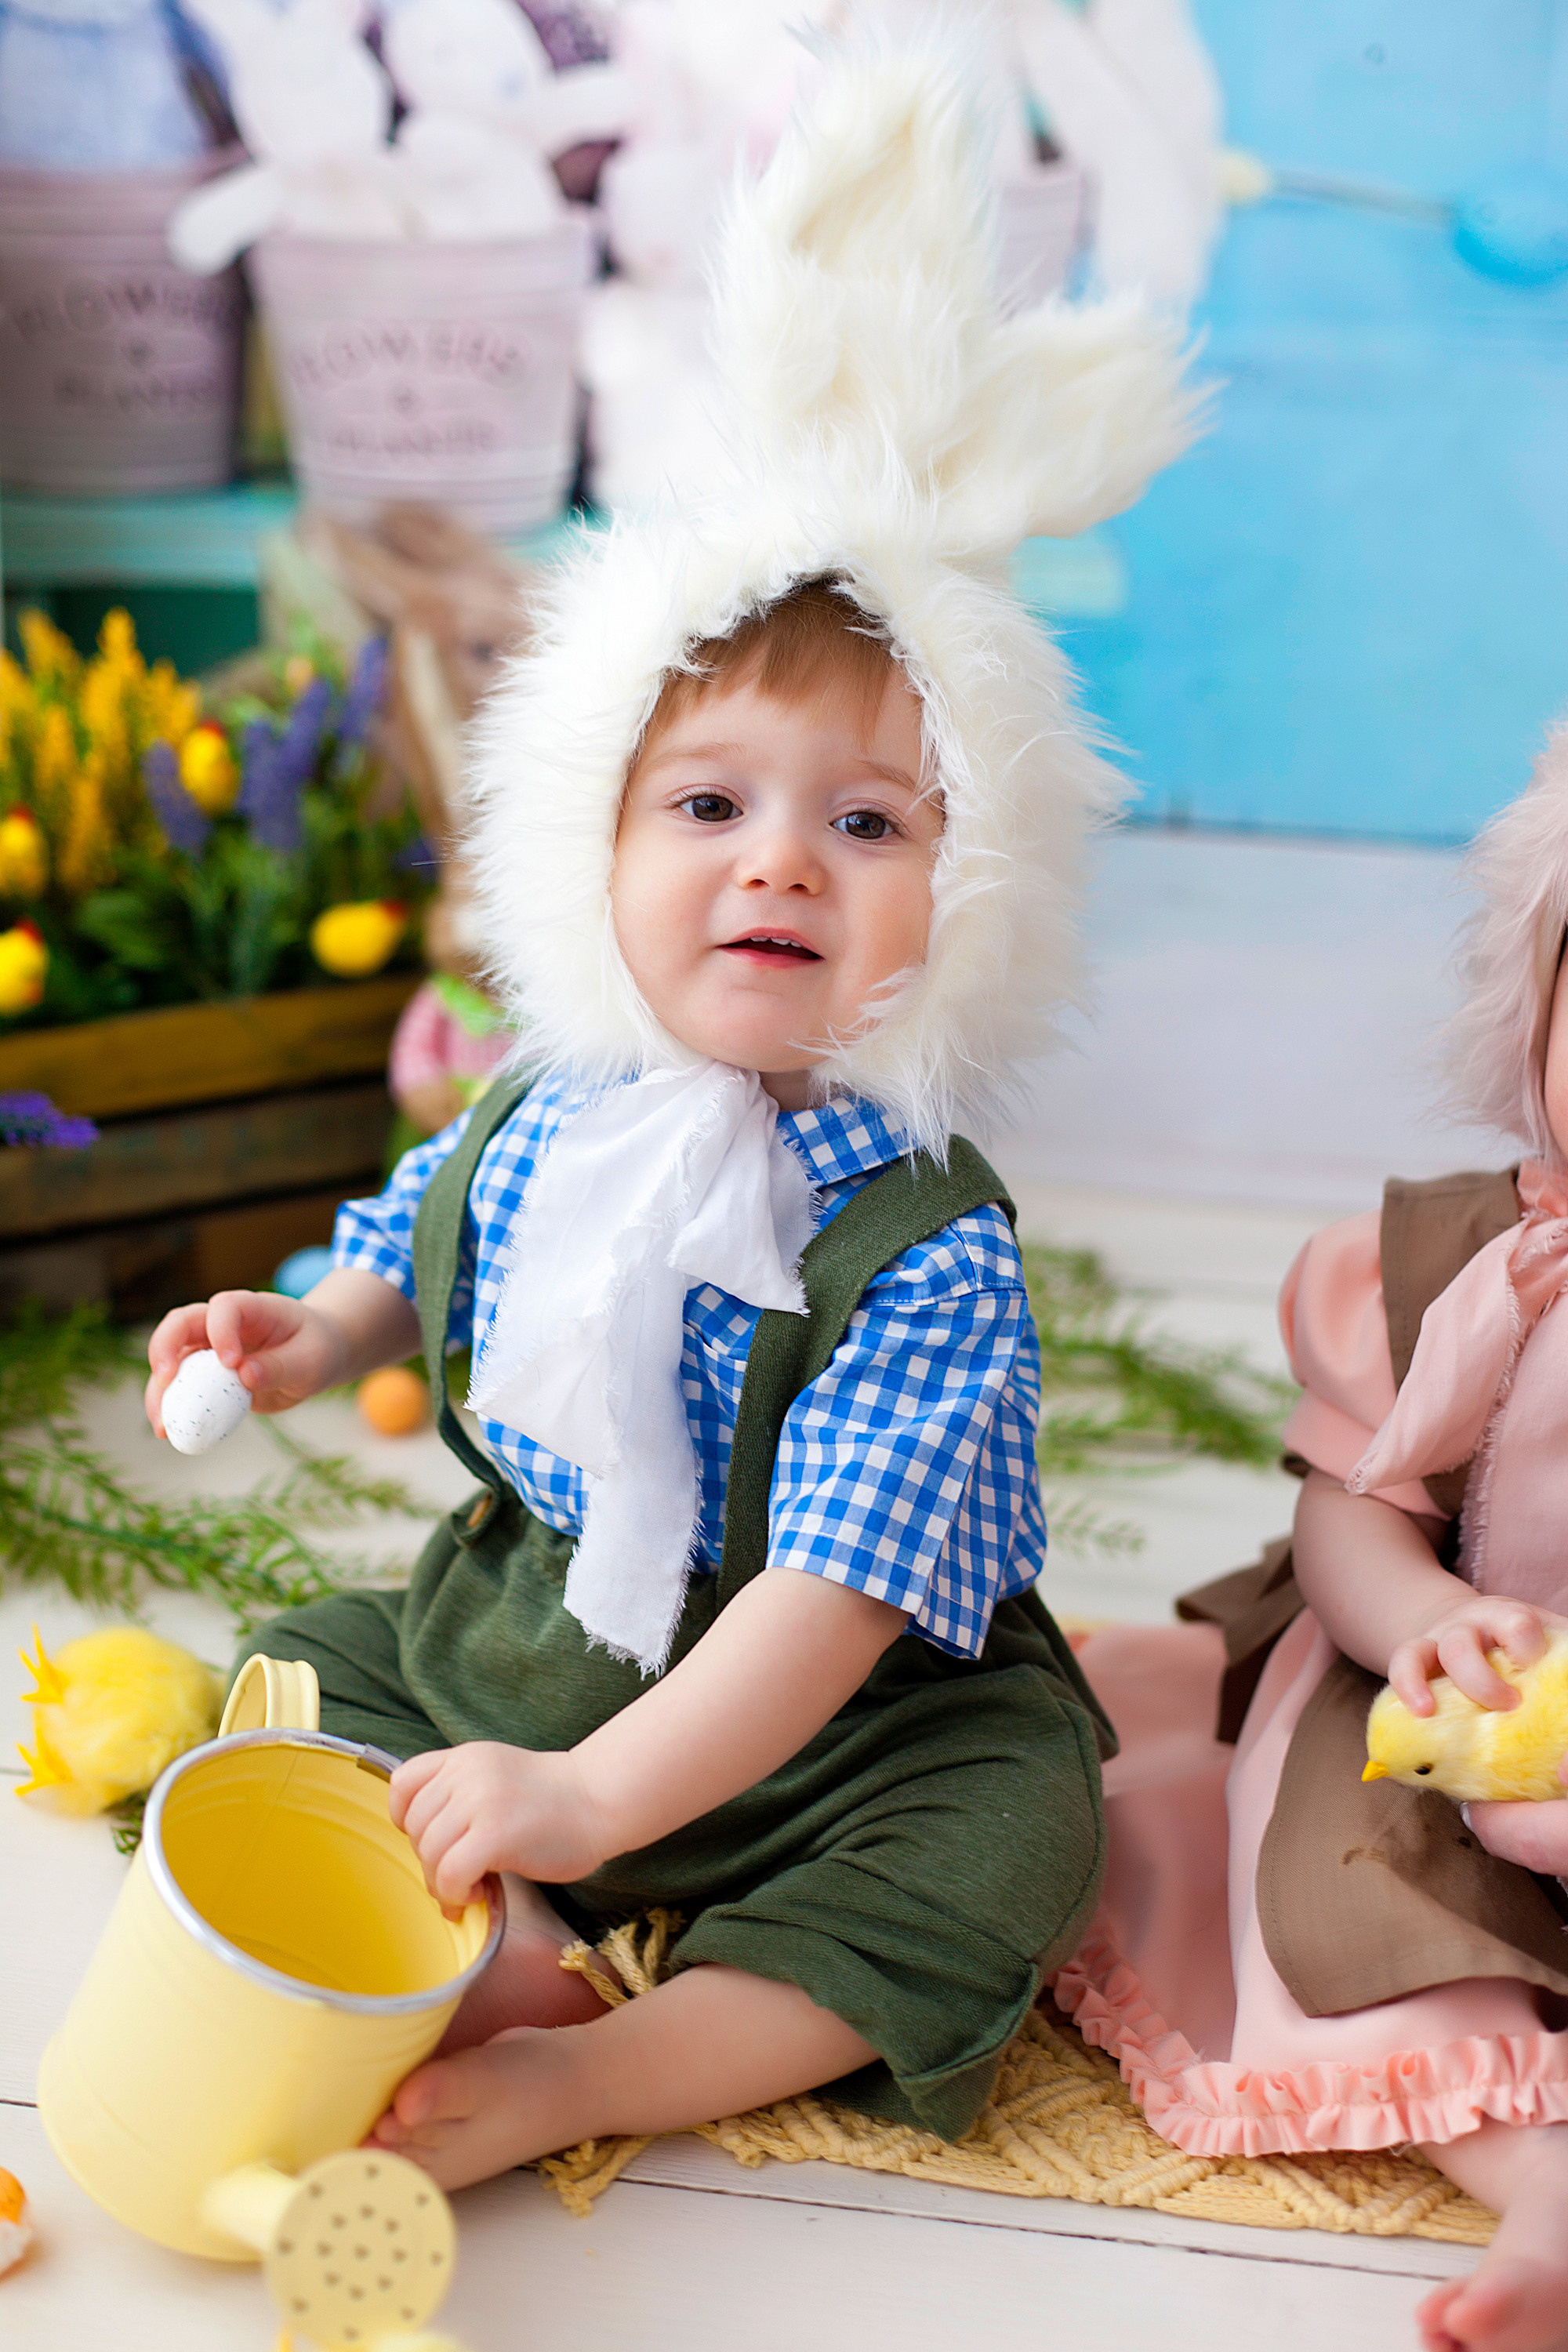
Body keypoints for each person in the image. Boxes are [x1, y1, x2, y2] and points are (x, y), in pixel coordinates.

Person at [143, 30, 1193, 2196]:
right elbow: (420, 1229)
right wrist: (311, 1330)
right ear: (587, 844)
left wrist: (607, 1802)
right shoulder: (554, 1103)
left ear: (975, 889)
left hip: (830, 1726)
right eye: (706, 803)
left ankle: (594, 2066)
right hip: (535, 1631)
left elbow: (827, 1602)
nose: (780, 863)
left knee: (1011, 1846)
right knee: (297, 1674)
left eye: (874, 821)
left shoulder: (920, 1241)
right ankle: (503, 1923)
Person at [1054, 726, 1568, 2352]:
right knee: (1362, 1900)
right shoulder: (1448, 1265)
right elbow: (1354, 1506)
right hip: (1448, 1689)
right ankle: (1541, 2184)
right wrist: (1413, 1612)